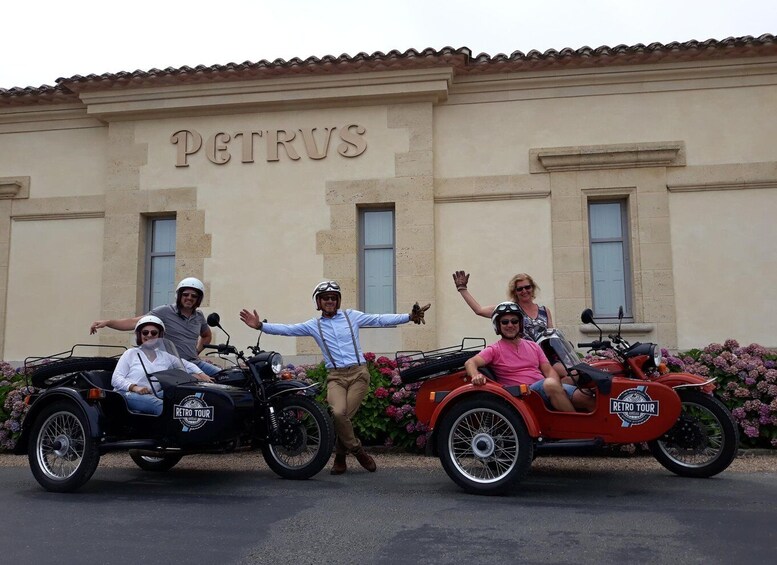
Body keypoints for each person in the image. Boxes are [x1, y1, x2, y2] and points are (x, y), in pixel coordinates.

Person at [240, 280, 430, 475]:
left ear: (338, 301)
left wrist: (408, 316)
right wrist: (260, 326)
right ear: (319, 302)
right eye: (325, 298)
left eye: (333, 298)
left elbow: (379, 319)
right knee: (339, 413)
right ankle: (358, 450)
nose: (329, 301)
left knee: (343, 416)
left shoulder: (351, 316)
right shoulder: (314, 325)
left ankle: (340, 458)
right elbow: (289, 329)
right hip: (335, 377)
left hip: (358, 374)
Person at [464, 302, 594, 412]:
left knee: (586, 396)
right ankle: (573, 430)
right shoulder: (494, 349)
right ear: (498, 326)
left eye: (514, 321)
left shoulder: (533, 346)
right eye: (505, 322)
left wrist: (557, 387)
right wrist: (475, 375)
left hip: (547, 388)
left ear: (520, 323)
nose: (510, 325)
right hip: (522, 394)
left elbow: (548, 371)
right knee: (549, 383)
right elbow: (470, 362)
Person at [90, 277, 221, 377]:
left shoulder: (199, 316)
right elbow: (133, 322)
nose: (189, 298)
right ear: (179, 295)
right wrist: (108, 322)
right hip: (172, 365)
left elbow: (206, 335)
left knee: (225, 376)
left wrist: (196, 352)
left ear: (198, 299)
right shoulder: (164, 311)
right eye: (186, 294)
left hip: (194, 362)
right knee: (198, 383)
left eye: (194, 296)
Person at [112, 315, 213, 415]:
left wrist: (201, 374)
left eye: (154, 332)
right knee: (161, 406)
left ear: (159, 336)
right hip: (127, 394)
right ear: (139, 335)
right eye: (145, 332)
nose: (149, 335)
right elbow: (116, 379)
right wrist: (134, 387)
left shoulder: (164, 356)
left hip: (153, 394)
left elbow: (185, 364)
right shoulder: (131, 353)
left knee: (181, 399)